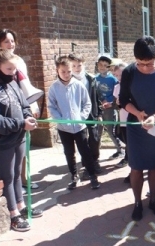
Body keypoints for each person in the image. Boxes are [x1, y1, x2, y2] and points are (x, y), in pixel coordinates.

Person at [0, 47, 43, 232]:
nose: (13, 73)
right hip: (2, 142)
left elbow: (24, 105)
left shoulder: (13, 82)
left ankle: (21, 207)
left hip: (19, 137)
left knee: (17, 175)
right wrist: (20, 124)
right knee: (7, 177)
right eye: (9, 69)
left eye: (14, 69)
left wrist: (27, 117)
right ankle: (13, 213)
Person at [119, 36, 155, 221]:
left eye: (149, 64)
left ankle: (153, 200)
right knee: (136, 166)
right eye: (140, 64)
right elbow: (123, 100)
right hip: (136, 126)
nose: (144, 68)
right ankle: (137, 203)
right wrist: (137, 113)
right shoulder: (128, 72)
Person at [0, 28, 40, 191]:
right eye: (6, 41)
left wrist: (31, 105)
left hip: (20, 107)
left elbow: (24, 85)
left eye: (12, 41)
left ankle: (24, 178)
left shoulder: (18, 60)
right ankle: (15, 191)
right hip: (6, 115)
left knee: (23, 147)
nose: (10, 44)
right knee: (10, 161)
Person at [47, 56, 100, 190]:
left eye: (69, 71)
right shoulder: (54, 88)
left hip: (79, 126)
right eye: (63, 71)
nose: (66, 74)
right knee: (69, 152)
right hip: (64, 128)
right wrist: (60, 118)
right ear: (57, 71)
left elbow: (87, 103)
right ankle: (74, 175)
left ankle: (92, 175)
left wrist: (81, 117)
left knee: (85, 150)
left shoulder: (78, 85)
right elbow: (52, 106)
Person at [68, 53, 103, 180]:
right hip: (76, 115)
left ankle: (95, 160)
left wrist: (99, 113)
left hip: (91, 114)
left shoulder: (91, 79)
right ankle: (87, 164)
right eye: (74, 66)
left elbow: (97, 97)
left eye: (79, 65)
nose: (77, 68)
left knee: (94, 138)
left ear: (84, 64)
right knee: (82, 140)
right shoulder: (68, 79)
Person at [96, 56, 124, 160]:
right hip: (100, 108)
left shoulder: (113, 79)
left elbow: (116, 94)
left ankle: (120, 150)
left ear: (108, 67)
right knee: (98, 131)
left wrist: (110, 102)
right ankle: (95, 153)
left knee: (110, 130)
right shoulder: (95, 79)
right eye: (100, 65)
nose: (102, 67)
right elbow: (96, 93)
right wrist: (101, 101)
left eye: (105, 65)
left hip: (110, 108)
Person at [112, 62, 130, 169]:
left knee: (131, 142)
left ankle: (128, 159)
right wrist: (117, 103)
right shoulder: (117, 87)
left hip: (133, 118)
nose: (119, 77)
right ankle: (127, 157)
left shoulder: (133, 85)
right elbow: (116, 104)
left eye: (121, 75)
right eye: (116, 75)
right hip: (123, 118)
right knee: (122, 136)